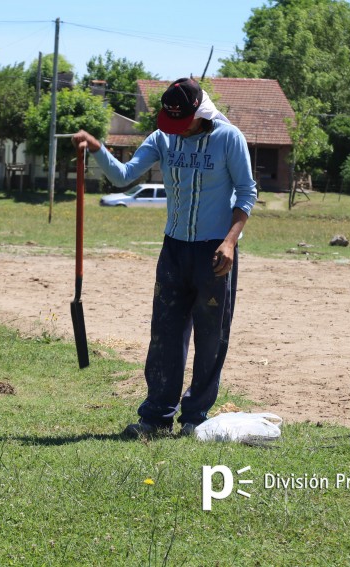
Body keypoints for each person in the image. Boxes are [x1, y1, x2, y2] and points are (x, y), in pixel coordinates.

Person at [72, 77, 257, 437]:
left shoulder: (228, 138)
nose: (178, 129)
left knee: (210, 336)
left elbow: (247, 192)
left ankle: (195, 417)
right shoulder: (163, 137)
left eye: (183, 120)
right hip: (173, 250)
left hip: (214, 252)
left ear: (199, 111)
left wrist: (231, 242)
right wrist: (96, 148)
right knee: (165, 336)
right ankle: (156, 418)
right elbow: (123, 176)